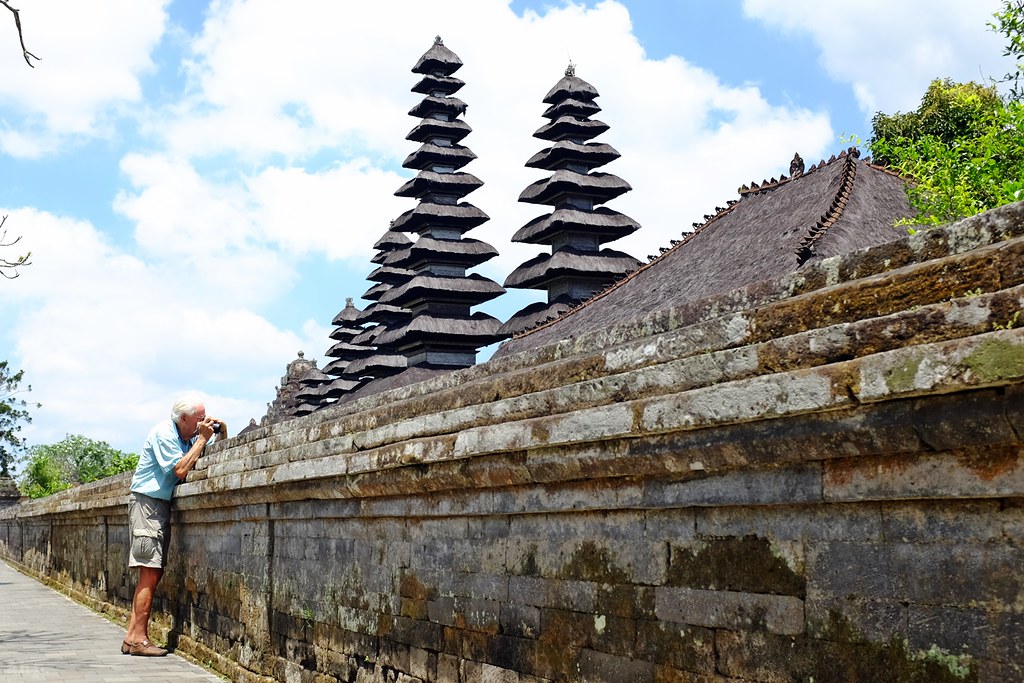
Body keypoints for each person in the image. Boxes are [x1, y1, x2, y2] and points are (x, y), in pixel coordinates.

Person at [122, 394, 227, 656]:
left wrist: (219, 432)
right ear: (183, 418)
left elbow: (212, 454)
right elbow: (180, 470)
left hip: (157, 505)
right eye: (199, 419)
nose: (202, 423)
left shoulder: (186, 437)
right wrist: (203, 438)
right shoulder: (165, 433)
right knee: (149, 573)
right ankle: (138, 640)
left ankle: (131, 637)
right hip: (148, 504)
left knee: (150, 573)